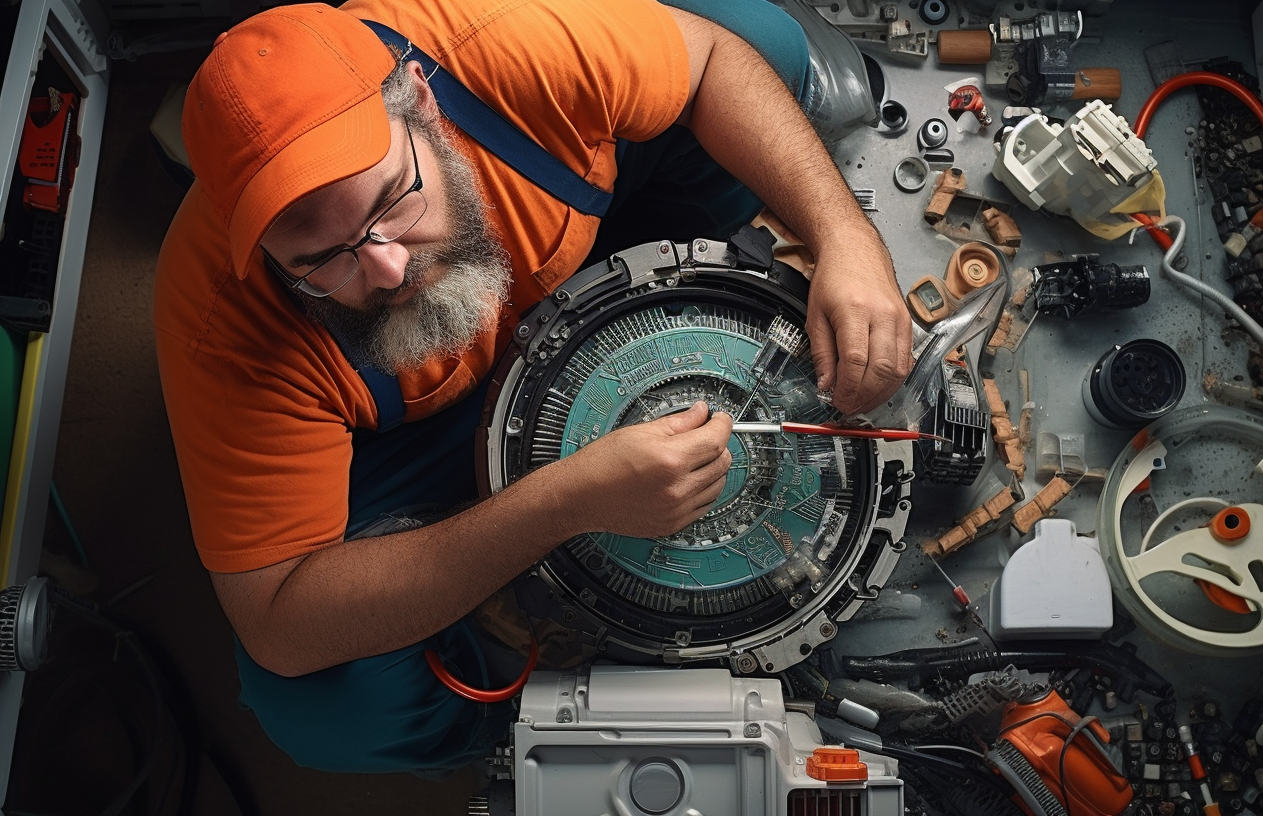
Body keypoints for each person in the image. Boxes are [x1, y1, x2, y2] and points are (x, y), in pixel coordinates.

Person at [155, 0, 911, 774]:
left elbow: (714, 59)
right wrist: (559, 502)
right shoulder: (222, 319)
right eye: (323, 259)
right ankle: (554, 721)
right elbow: (279, 620)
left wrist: (845, 234)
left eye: (394, 201)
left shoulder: (507, 55)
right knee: (324, 711)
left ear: (419, 101)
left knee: (765, 44)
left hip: (606, 234)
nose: (388, 271)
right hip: (421, 435)